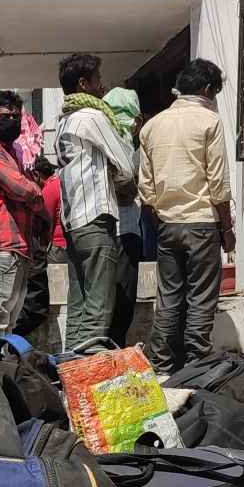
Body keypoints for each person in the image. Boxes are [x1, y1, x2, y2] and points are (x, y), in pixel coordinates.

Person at [138, 59, 234, 373]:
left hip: (167, 225)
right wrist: (227, 228)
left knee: (168, 297)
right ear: (208, 90)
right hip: (203, 222)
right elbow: (218, 182)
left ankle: (164, 366)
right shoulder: (210, 121)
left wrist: (163, 220)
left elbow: (146, 189)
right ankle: (197, 363)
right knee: (201, 298)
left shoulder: (152, 125)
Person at [55, 53, 136, 349]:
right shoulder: (92, 116)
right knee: (99, 308)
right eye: (97, 80)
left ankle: (71, 370)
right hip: (95, 217)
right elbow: (126, 163)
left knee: (78, 305)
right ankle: (89, 375)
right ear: (83, 83)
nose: (102, 87)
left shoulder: (63, 121)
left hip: (72, 222)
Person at [0, 90, 44, 345]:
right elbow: (21, 188)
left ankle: (3, 374)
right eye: (6, 116)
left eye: (17, 116)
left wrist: (31, 191)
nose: (13, 121)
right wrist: (34, 191)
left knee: (11, 323)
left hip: (20, 246)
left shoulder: (12, 153)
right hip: (3, 245)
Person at [104, 86, 145, 346]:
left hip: (107, 231)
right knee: (121, 306)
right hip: (124, 231)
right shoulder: (124, 144)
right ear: (137, 120)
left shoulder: (105, 137)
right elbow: (127, 192)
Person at [12, 156, 59, 339]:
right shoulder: (39, 192)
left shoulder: (44, 191)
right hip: (30, 252)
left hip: (32, 252)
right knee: (32, 308)